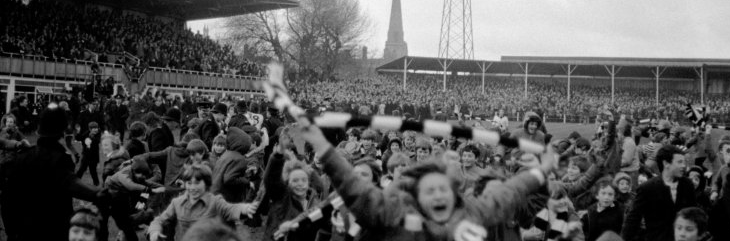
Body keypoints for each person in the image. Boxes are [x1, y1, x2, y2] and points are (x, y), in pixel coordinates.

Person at [300, 122, 557, 241]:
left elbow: (512, 190)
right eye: (430, 190)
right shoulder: (392, 214)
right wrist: (322, 147)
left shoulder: (472, 212)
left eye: (442, 189)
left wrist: (542, 171)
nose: (438, 195)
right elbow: (352, 185)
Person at [1, 102, 105, 241]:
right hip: (54, 230)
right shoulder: (60, 160)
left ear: (38, 129)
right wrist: (99, 193)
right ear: (62, 131)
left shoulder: (22, 158)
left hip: (23, 231)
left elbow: (7, 199)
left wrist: (11, 232)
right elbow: (72, 184)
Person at [148, 165, 257, 241]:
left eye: (197, 183)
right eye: (189, 183)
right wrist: (154, 231)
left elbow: (230, 209)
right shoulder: (177, 203)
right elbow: (160, 220)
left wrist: (245, 208)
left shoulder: (215, 201)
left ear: (206, 184)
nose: (192, 187)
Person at [622, 144, 697, 241]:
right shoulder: (647, 188)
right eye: (679, 162)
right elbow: (633, 220)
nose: (684, 166)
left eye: (684, 162)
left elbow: (694, 214)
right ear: (666, 163)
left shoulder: (687, 185)